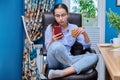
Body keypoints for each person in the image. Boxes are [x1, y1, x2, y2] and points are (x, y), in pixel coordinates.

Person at [45, 3, 98, 79]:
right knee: (57, 46)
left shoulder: (74, 28)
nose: (60, 18)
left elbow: (87, 46)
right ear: (54, 16)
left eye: (63, 15)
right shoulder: (50, 28)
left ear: (68, 15)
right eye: (57, 16)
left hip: (68, 58)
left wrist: (85, 34)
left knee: (94, 56)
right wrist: (53, 40)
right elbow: (48, 49)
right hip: (54, 61)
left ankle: (62, 73)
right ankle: (78, 67)